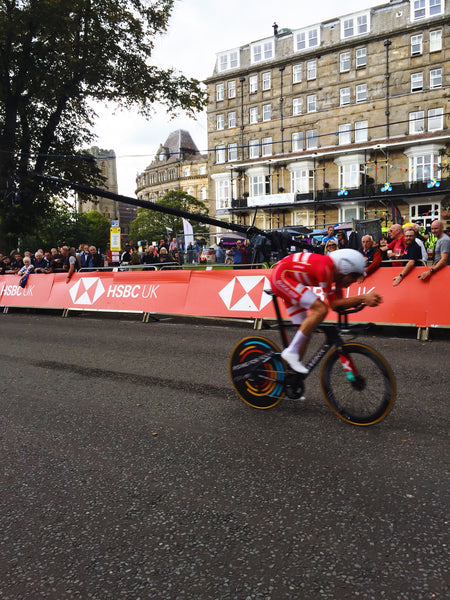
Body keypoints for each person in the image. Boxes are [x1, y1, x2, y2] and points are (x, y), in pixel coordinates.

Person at [270, 249, 382, 373]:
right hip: (281, 276)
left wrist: (361, 300)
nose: (355, 280)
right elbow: (333, 305)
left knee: (305, 331)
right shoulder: (326, 269)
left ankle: (290, 379)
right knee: (321, 309)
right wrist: (362, 298)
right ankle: (290, 353)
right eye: (354, 276)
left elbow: (339, 303)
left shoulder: (338, 276)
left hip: (289, 278)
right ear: (345, 270)